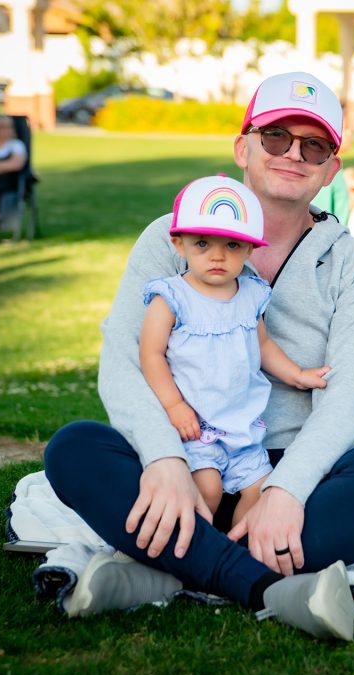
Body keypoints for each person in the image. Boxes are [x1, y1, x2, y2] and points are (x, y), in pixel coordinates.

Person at [43, 72, 354, 640]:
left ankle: (170, 573)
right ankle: (264, 585)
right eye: (276, 136)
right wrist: (163, 460)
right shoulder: (172, 235)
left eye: (314, 145)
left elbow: (351, 396)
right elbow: (124, 358)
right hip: (186, 454)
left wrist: (285, 491)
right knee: (75, 448)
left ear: (329, 168)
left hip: (285, 471)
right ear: (242, 146)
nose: (293, 154)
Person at [139, 175, 330, 524]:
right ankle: (195, 548)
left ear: (249, 250)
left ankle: (237, 548)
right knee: (206, 489)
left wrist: (298, 374)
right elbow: (151, 355)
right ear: (179, 244)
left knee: (261, 491)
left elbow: (263, 345)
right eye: (202, 244)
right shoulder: (172, 298)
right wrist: (173, 404)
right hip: (195, 425)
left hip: (243, 429)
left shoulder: (250, 295)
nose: (217, 256)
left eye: (231, 246)